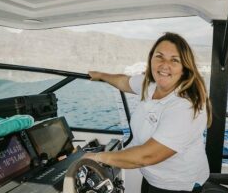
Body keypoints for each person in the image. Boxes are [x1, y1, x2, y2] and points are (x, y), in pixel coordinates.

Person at [85, 32, 212, 193]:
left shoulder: (184, 106)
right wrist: (100, 75)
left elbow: (147, 156)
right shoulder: (151, 85)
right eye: (159, 56)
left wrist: (98, 158)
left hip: (178, 186)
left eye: (174, 60)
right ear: (151, 59)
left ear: (184, 69)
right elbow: (124, 81)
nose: (164, 65)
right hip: (153, 177)